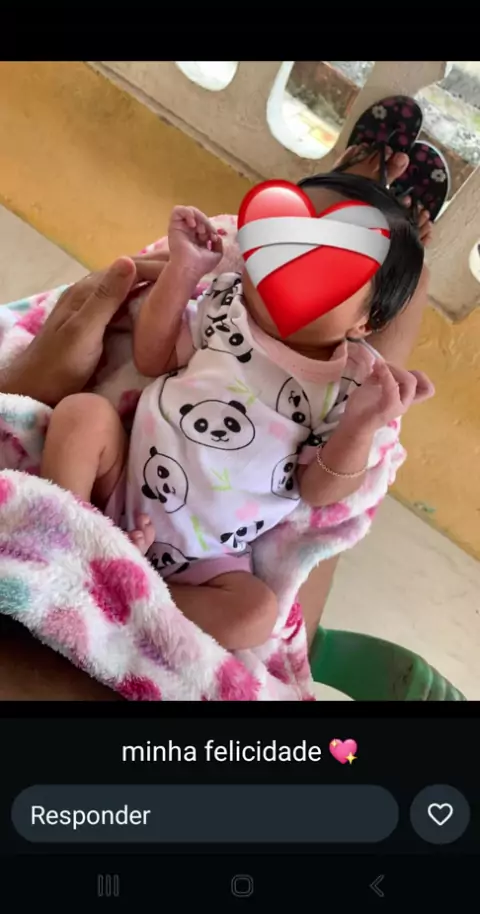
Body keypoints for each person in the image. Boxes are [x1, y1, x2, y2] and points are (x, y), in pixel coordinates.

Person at [0, 147, 433, 697]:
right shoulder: (228, 305)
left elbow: (319, 492)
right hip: (115, 489)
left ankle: (131, 597)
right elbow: (154, 357)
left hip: (206, 561)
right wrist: (183, 273)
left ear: (366, 322)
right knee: (83, 416)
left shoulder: (351, 387)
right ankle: (66, 533)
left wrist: (364, 426)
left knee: (255, 613)